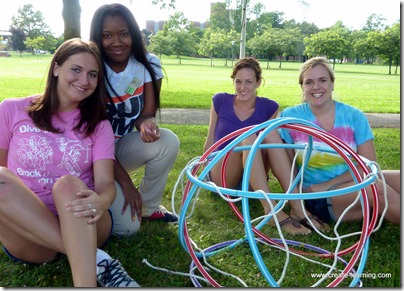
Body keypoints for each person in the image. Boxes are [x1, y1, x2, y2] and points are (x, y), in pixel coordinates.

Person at [0, 38, 139, 287]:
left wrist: (102, 201)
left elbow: (106, 183)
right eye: (76, 69)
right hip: (29, 232)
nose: (84, 81)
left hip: (84, 220)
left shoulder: (99, 125)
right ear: (56, 68)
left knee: (67, 184)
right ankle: (96, 260)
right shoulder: (12, 109)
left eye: (92, 74)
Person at [89, 3, 180, 237]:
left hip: (121, 149)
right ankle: (99, 190)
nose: (116, 42)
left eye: (124, 33)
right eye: (107, 35)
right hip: (94, 156)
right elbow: (94, 141)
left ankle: (148, 207)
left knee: (168, 140)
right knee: (127, 228)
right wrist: (127, 185)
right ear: (98, 38)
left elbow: (146, 113)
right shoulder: (92, 68)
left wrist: (146, 124)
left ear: (134, 34)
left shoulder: (147, 64)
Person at [279, 57, 400, 226]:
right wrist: (298, 198)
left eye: (323, 80)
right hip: (316, 196)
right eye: (309, 82)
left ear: (332, 84)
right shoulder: (291, 117)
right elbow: (287, 166)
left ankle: (377, 208)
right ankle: (376, 205)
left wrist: (328, 184)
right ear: (302, 87)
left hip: (347, 182)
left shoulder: (353, 116)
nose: (316, 87)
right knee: (375, 189)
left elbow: (368, 165)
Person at [203, 57, 315, 236]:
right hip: (222, 172)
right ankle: (271, 211)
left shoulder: (269, 107)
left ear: (258, 82)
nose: (242, 87)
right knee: (247, 138)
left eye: (248, 81)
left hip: (251, 178)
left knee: (270, 133)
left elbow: (270, 149)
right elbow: (210, 140)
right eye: (238, 81)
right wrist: (202, 165)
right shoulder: (220, 100)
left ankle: (297, 206)